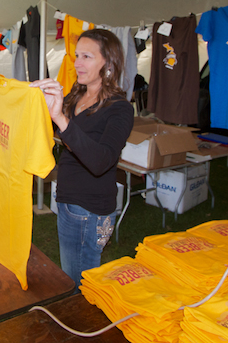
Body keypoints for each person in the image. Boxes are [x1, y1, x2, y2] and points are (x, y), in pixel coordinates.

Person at [30, 28, 134, 289]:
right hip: (67, 200)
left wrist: (62, 119)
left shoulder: (119, 108)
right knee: (72, 275)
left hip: (90, 210)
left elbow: (101, 161)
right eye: (77, 55)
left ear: (108, 64)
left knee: (79, 283)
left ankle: (83, 327)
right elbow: (50, 129)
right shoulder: (77, 96)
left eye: (87, 56)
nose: (77, 63)